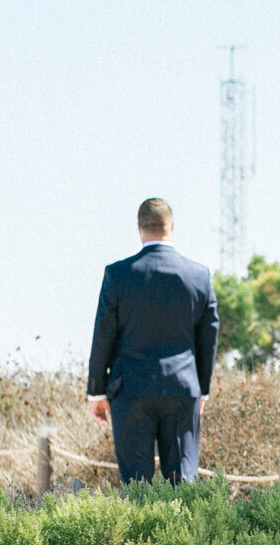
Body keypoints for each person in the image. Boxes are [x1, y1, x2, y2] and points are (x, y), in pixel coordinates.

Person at [85, 198, 220, 485]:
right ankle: (182, 531)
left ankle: (139, 530)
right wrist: (202, 391)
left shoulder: (118, 274)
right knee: (183, 483)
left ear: (139, 229)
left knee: (136, 485)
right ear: (172, 226)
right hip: (182, 389)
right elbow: (209, 336)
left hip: (131, 389)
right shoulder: (199, 276)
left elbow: (103, 333)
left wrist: (97, 391)